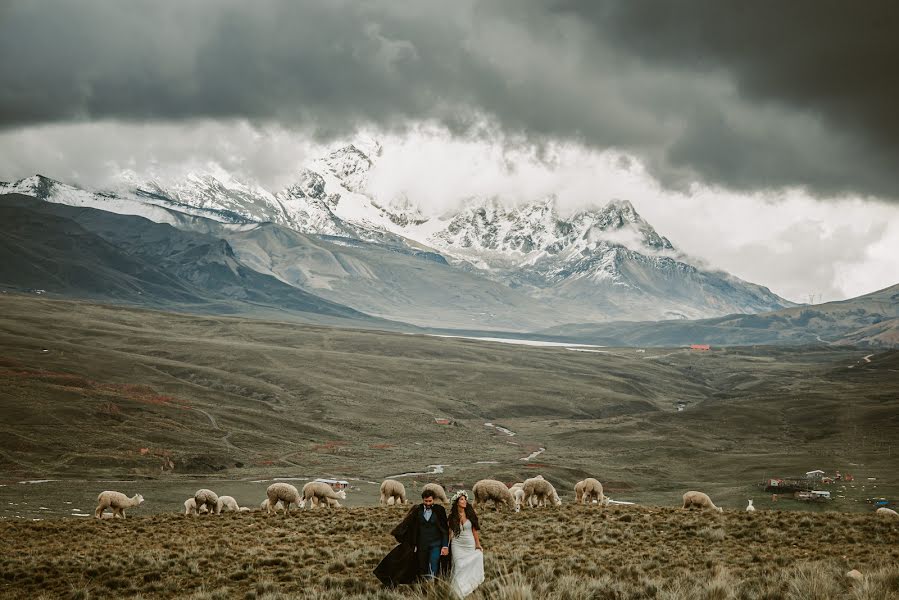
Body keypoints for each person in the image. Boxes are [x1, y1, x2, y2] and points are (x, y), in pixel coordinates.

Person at [373, 489, 449, 586]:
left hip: (436, 544)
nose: (428, 503)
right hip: (422, 544)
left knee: (434, 562)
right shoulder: (417, 510)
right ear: (423, 500)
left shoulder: (440, 510)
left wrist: (445, 546)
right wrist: (412, 542)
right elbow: (411, 527)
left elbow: (444, 529)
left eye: (430, 501)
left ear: (433, 500)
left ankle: (431, 583)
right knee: (422, 565)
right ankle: (424, 584)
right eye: (426, 501)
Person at [447, 490, 484, 598]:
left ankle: (469, 586)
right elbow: (449, 533)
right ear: (457, 502)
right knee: (459, 565)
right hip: (457, 545)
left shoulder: (470, 514)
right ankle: (458, 591)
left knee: (471, 563)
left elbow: (474, 531)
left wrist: (478, 544)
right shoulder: (452, 517)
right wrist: (446, 546)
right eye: (462, 499)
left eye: (465, 499)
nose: (464, 501)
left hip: (469, 543)